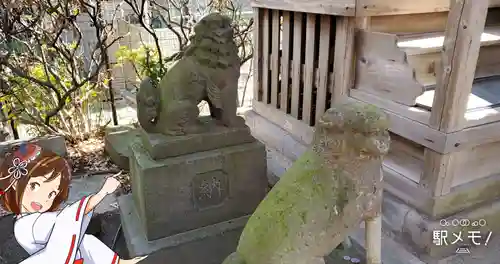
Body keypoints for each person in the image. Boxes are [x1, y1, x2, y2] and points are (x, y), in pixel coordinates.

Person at [0, 143, 140, 264]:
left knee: (85, 241)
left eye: (52, 194)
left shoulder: (28, 220)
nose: (43, 199)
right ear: (15, 184)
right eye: (35, 185)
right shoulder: (28, 225)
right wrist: (102, 193)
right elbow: (67, 218)